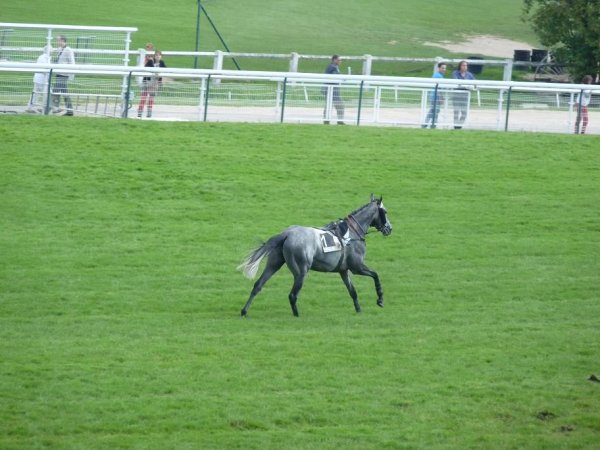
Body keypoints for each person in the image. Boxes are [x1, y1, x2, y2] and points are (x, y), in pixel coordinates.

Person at [137, 50, 166, 118]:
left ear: (161, 56)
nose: (158, 57)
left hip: (155, 83)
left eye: (159, 55)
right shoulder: (150, 61)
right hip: (147, 82)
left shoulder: (162, 63)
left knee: (151, 98)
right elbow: (146, 68)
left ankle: (149, 112)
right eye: (156, 55)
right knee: (144, 97)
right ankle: (140, 112)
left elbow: (165, 70)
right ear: (154, 56)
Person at [52, 35, 75, 116]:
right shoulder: (60, 49)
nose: (57, 42)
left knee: (56, 91)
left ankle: (55, 108)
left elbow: (72, 62)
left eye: (58, 40)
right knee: (63, 92)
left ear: (62, 40)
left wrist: (70, 74)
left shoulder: (68, 50)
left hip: (63, 74)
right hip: (59, 74)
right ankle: (69, 110)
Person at [26, 45, 52, 113]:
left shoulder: (45, 57)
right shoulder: (44, 57)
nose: (52, 51)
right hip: (41, 79)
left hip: (41, 78)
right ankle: (46, 107)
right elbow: (45, 68)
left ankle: (30, 107)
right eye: (51, 50)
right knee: (47, 92)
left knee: (36, 93)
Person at [422, 62, 447, 128]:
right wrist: (441, 98)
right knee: (435, 111)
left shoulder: (438, 75)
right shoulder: (438, 76)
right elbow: (439, 88)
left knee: (433, 111)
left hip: (435, 96)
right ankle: (432, 125)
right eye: (443, 68)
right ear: (439, 68)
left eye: (445, 68)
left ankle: (426, 124)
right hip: (435, 97)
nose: (444, 69)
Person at [451, 60, 475, 129]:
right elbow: (456, 82)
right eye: (463, 65)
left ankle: (459, 126)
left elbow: (474, 83)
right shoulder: (455, 73)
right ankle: (456, 126)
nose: (465, 67)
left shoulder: (469, 75)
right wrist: (467, 85)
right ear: (460, 66)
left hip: (465, 96)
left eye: (466, 65)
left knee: (464, 113)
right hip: (456, 96)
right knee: (456, 112)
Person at [322, 55, 345, 125]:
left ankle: (327, 121)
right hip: (332, 90)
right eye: (339, 60)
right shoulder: (332, 67)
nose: (340, 61)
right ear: (334, 60)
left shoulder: (332, 67)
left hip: (331, 89)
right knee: (339, 105)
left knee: (329, 105)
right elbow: (336, 76)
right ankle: (339, 121)